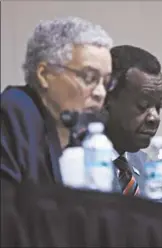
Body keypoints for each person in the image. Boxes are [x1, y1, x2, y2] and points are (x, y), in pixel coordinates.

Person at [1, 16, 113, 187]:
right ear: (44, 74)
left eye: (105, 82)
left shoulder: (86, 137)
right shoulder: (14, 111)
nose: (100, 93)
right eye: (89, 78)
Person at [103, 45, 162, 196]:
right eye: (142, 106)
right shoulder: (78, 161)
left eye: (158, 108)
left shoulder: (145, 164)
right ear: (107, 99)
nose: (154, 118)